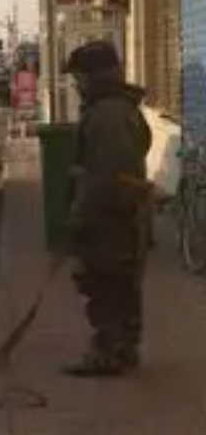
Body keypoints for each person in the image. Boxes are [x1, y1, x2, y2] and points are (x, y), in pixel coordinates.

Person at [64, 40, 152, 377]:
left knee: (106, 283)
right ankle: (122, 349)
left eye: (79, 77)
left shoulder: (108, 115)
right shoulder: (116, 108)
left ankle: (110, 352)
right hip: (121, 215)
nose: (76, 84)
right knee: (120, 284)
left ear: (95, 76)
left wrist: (80, 217)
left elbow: (108, 176)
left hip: (110, 219)